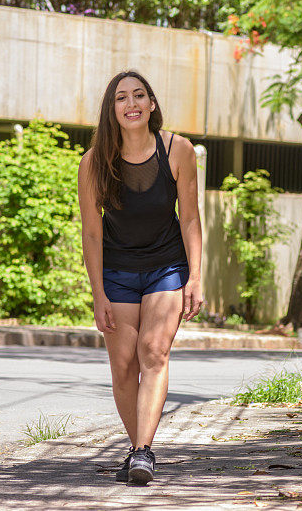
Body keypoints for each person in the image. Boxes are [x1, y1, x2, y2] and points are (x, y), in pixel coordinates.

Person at [77, 71, 203, 485]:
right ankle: (137, 450)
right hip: (116, 271)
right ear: (111, 110)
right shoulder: (94, 162)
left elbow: (189, 218)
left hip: (166, 266)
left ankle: (142, 451)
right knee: (123, 366)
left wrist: (196, 276)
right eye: (121, 98)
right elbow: (92, 234)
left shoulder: (178, 150)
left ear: (151, 104)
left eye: (139, 95)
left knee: (153, 351)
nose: (131, 104)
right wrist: (98, 294)